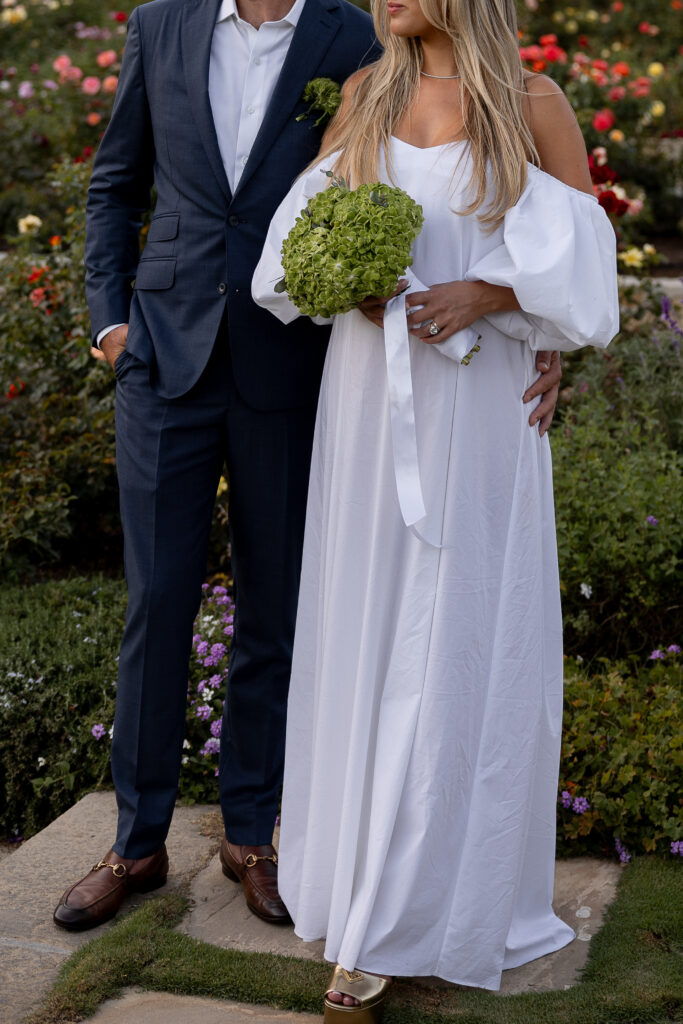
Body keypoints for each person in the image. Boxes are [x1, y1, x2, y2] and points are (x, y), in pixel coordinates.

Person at [53, 0, 560, 933]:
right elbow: (115, 182)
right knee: (156, 603)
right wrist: (110, 322)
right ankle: (135, 843)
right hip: (162, 356)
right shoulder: (159, 24)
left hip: (291, 365)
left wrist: (532, 321)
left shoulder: (357, 39)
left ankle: (251, 834)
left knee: (275, 606)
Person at [252, 0, 618, 1017]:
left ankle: (417, 910)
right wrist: (354, 285)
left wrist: (490, 298)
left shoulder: (529, 103)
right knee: (372, 625)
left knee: (453, 634)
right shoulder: (366, 97)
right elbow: (301, 243)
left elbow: (583, 266)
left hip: (480, 412)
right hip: (370, 402)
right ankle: (364, 893)